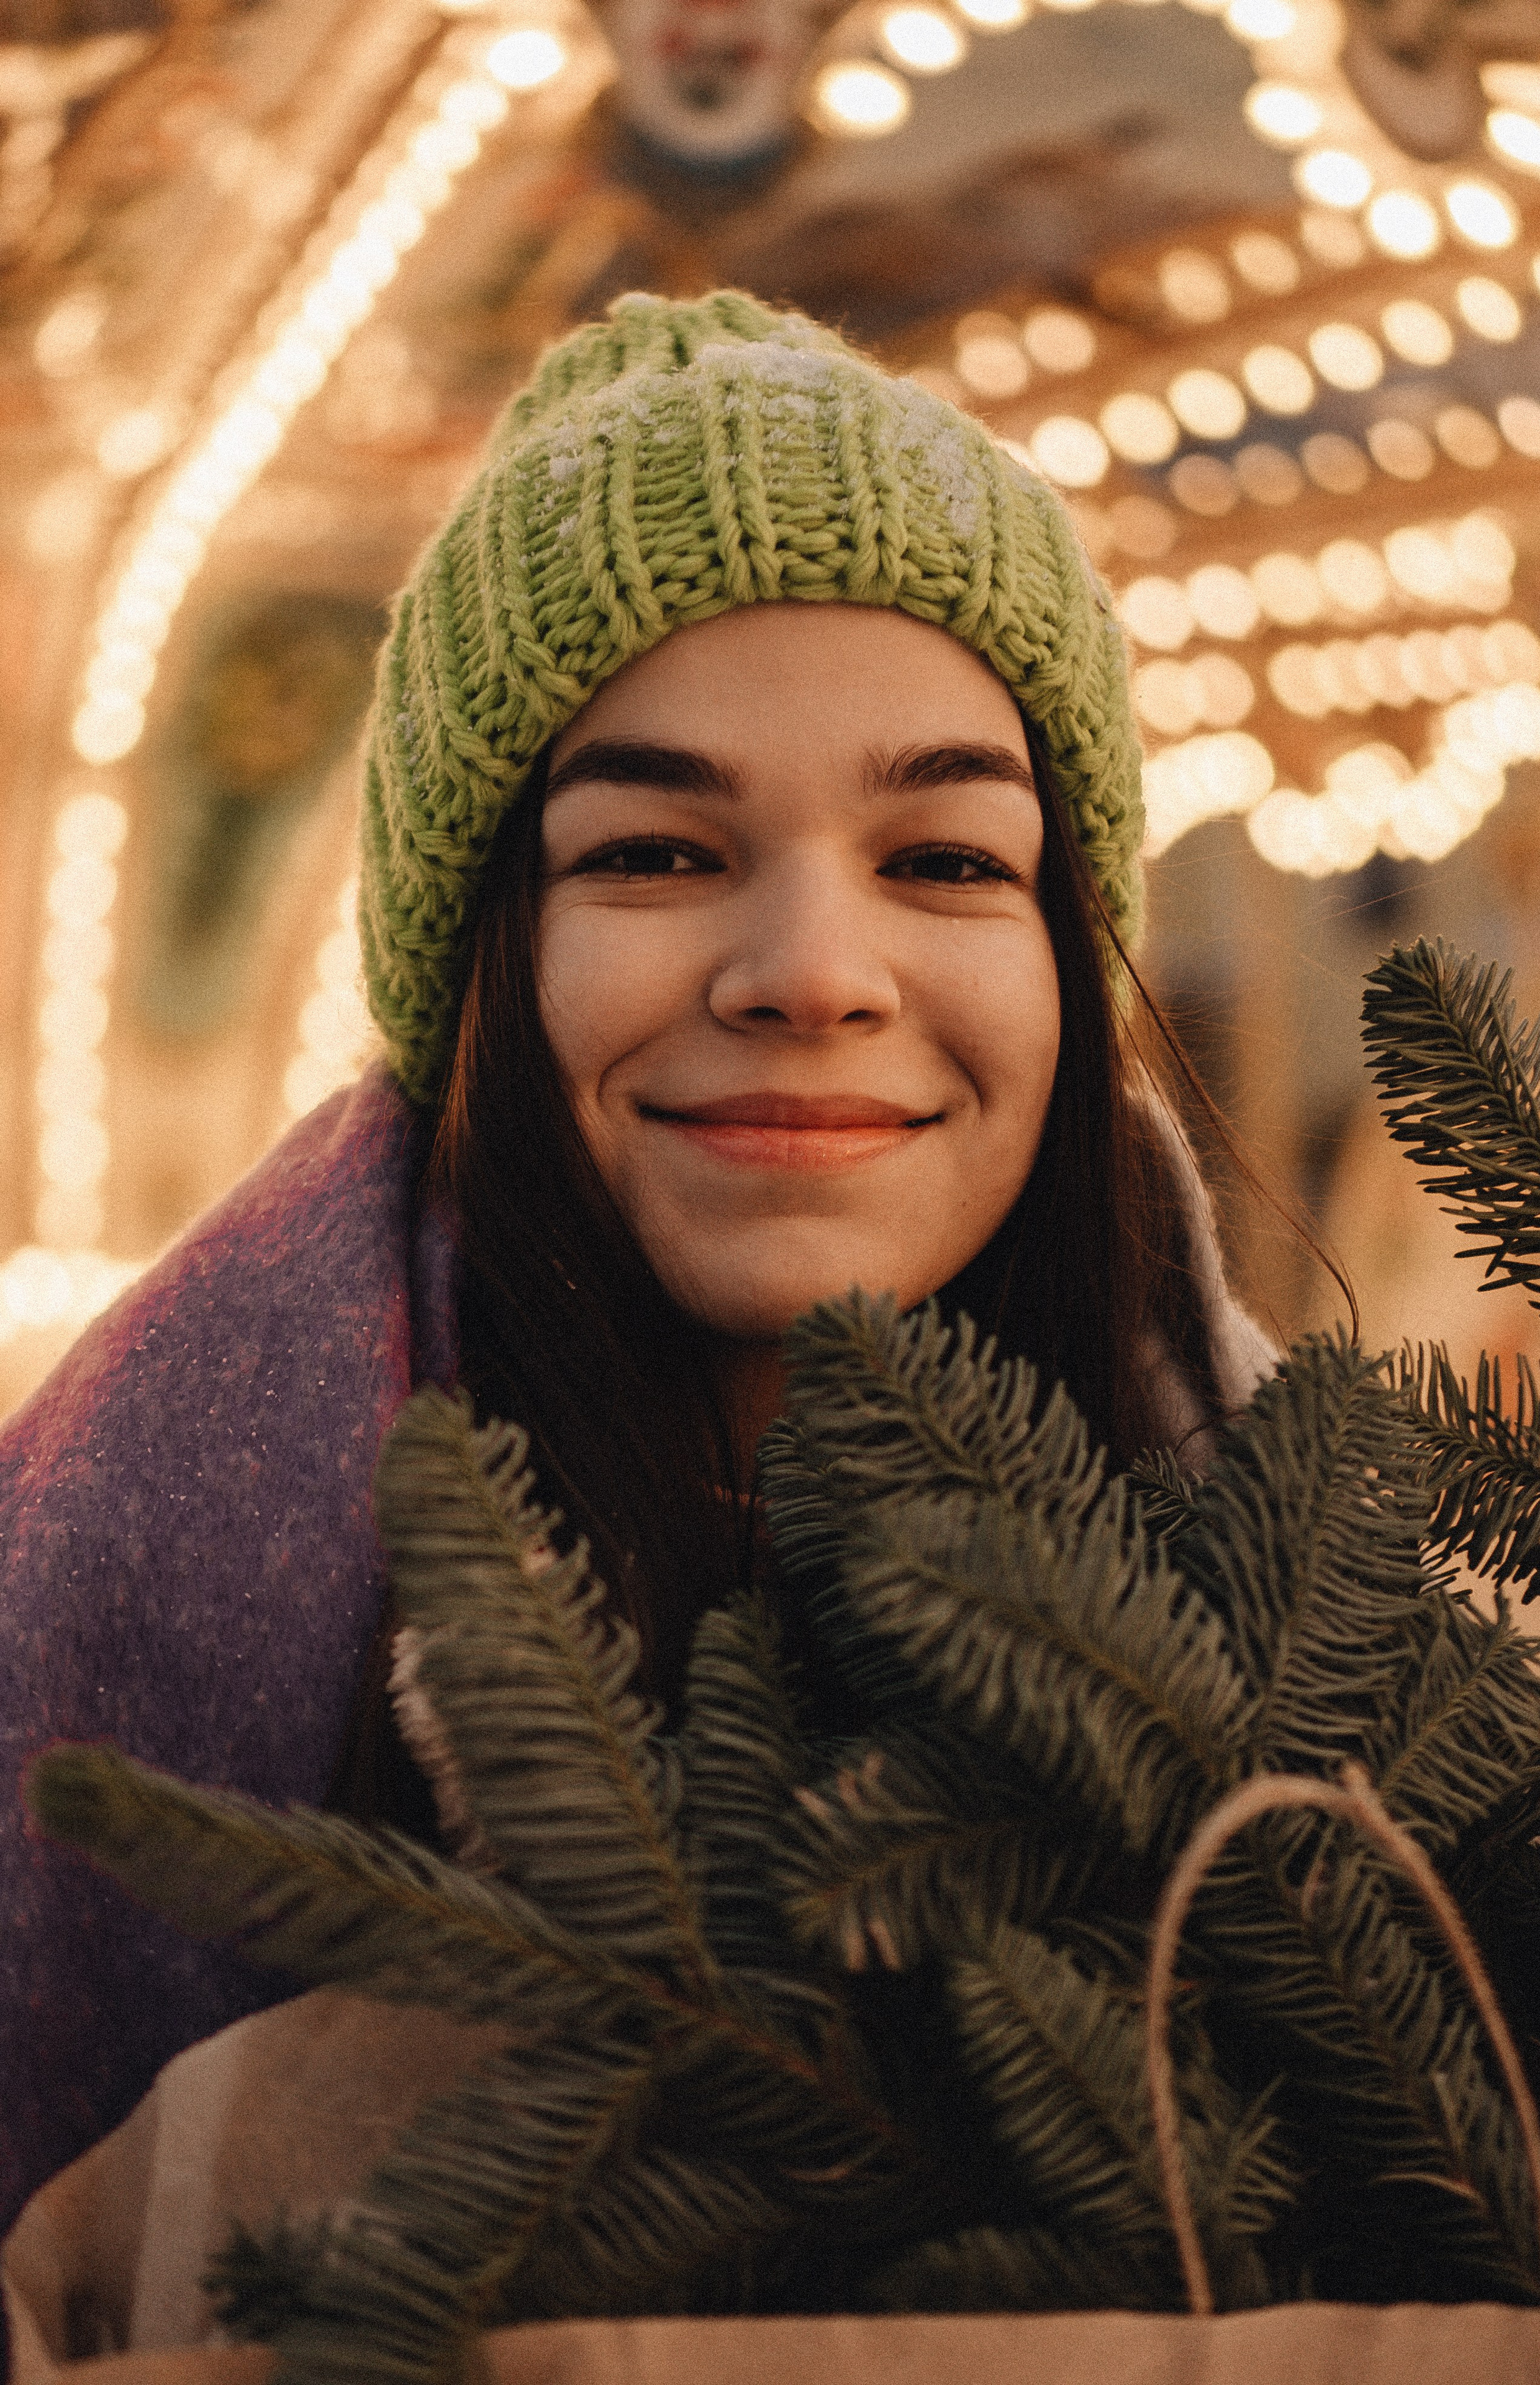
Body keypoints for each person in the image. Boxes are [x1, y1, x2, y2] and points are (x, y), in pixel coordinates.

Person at [0, 290, 1269, 2248]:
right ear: (477, 969)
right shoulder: (110, 1612)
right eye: (655, 857)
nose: (815, 973)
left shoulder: (1344, 1622)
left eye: (944, 860)